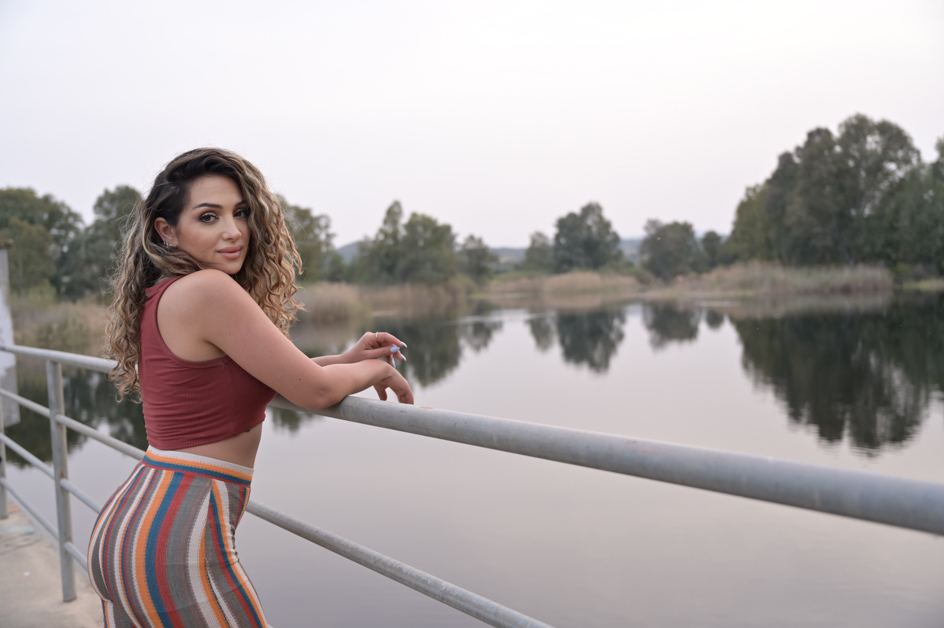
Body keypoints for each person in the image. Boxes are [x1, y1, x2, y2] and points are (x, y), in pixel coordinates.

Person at [86, 148, 413, 627]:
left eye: (240, 213)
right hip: (178, 540)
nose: (233, 230)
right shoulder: (209, 289)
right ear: (166, 230)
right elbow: (316, 392)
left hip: (131, 526)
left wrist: (344, 361)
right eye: (208, 216)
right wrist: (377, 370)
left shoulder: (164, 292)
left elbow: (252, 378)